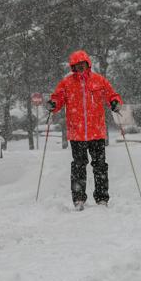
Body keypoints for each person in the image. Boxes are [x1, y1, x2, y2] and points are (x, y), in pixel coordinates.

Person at [46, 50, 122, 211]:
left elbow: (111, 95)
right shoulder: (67, 83)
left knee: (100, 166)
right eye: (77, 65)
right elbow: (57, 98)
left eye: (83, 64)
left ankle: (102, 198)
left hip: (97, 132)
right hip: (76, 134)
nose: (80, 67)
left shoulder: (99, 80)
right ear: (73, 67)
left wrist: (115, 102)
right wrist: (53, 104)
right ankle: (79, 199)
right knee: (78, 167)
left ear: (88, 64)